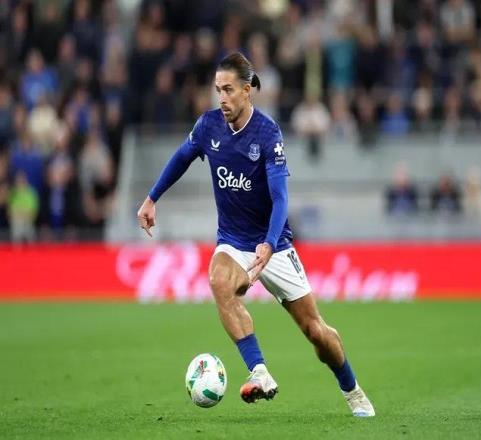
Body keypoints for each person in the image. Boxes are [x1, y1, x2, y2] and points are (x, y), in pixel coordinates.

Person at [137, 52, 375, 417]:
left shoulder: (267, 133)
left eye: (229, 90)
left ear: (247, 91)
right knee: (219, 280)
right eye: (217, 90)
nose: (222, 98)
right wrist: (152, 198)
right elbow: (182, 157)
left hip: (274, 244)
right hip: (233, 242)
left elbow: (280, 198)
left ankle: (353, 389)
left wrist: (269, 243)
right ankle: (259, 371)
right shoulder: (208, 126)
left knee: (315, 331)